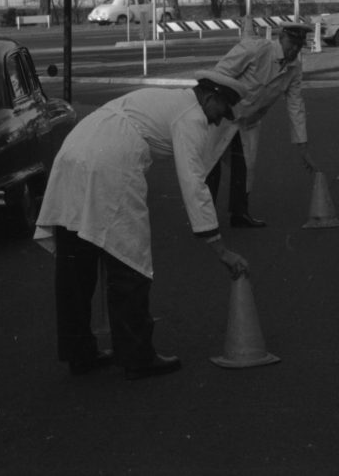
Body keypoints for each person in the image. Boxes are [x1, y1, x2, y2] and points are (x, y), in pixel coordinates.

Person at [34, 70, 251, 381]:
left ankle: (79, 352)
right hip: (110, 158)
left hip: (75, 150)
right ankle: (136, 356)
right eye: (221, 111)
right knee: (128, 257)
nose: (220, 120)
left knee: (75, 263)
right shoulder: (192, 117)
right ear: (209, 96)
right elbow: (194, 182)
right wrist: (220, 248)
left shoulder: (172, 101)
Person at [207, 22, 319, 228]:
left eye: (299, 45)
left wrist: (302, 145)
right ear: (281, 38)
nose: (294, 49)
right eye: (291, 43)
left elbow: (296, 104)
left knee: (246, 167)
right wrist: (215, 106)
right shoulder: (256, 49)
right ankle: (205, 216)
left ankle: (239, 213)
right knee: (211, 165)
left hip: (249, 121)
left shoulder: (294, 69)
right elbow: (220, 73)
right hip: (223, 116)